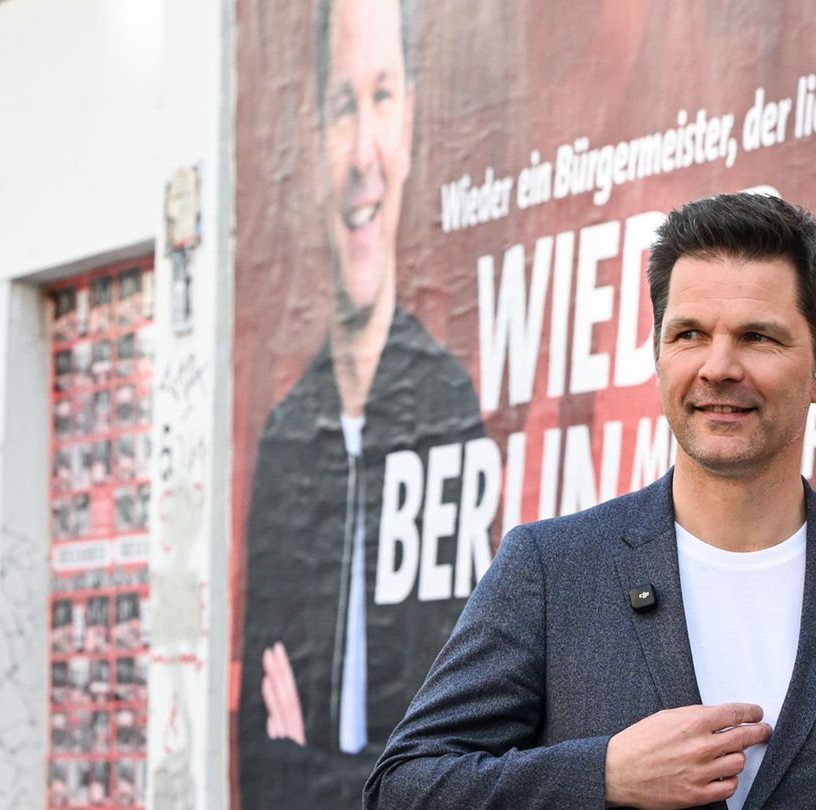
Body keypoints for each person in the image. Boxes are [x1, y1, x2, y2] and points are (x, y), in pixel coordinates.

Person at [365, 193, 816, 809]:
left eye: (757, 338)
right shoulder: (551, 569)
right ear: (658, 355)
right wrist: (603, 774)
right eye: (689, 334)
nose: (718, 367)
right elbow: (403, 788)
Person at [235, 0, 485, 805]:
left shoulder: (451, 400)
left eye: (382, 97)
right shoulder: (283, 442)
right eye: (344, 106)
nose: (364, 155)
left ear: (411, 123)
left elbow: (462, 761)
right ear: (313, 139)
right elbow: (261, 768)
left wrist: (318, 775)